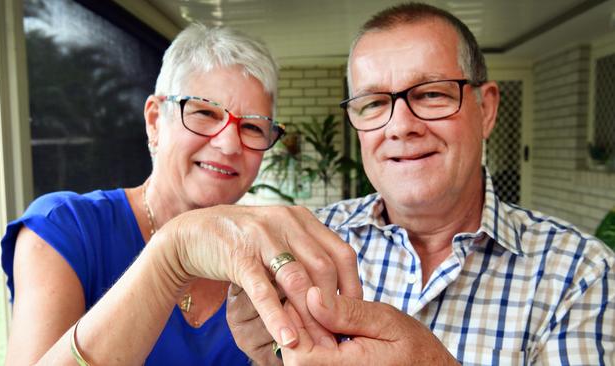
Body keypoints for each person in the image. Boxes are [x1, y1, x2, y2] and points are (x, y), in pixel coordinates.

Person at [226, 3, 615, 365]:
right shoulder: (309, 243)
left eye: (430, 94)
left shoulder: (580, 274)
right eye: (374, 103)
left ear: (487, 109)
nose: (399, 126)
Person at [1, 23, 362, 365]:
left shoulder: (268, 257)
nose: (228, 143)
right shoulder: (64, 228)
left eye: (252, 126)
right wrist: (172, 253)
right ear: (155, 120)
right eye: (204, 112)